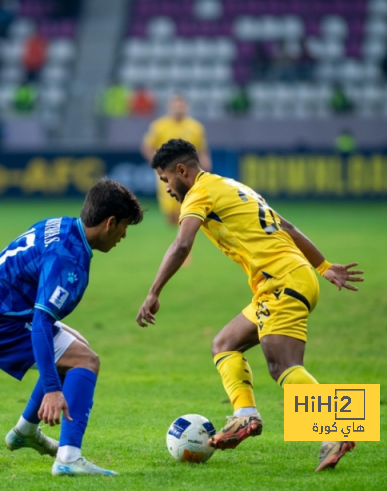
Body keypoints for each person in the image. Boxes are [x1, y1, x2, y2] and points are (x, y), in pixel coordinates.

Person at [136, 139, 364, 472]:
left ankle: (338, 428)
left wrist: (154, 291)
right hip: (290, 279)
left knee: (282, 366)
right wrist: (324, 267)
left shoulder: (199, 193)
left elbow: (182, 244)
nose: (167, 188)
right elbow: (288, 227)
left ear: (181, 171)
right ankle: (244, 415)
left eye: (165, 179)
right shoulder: (232, 186)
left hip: (281, 281)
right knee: (225, 344)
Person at [0, 179, 144, 476]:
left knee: (77, 346)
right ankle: (69, 458)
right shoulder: (69, 260)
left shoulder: (62, 225)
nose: (124, 235)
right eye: (124, 226)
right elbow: (41, 324)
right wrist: (51, 389)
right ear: (110, 223)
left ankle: (24, 431)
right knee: (87, 361)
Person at [141, 95, 211, 226]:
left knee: (187, 205)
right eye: (175, 106)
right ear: (169, 108)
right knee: (171, 215)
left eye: (181, 106)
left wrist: (206, 163)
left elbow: (202, 150)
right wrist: (158, 164)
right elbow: (147, 147)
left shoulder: (196, 127)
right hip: (167, 173)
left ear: (186, 107)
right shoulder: (159, 126)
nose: (178, 109)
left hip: (188, 172)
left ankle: (185, 233)